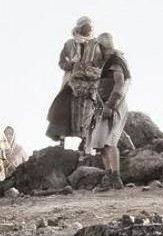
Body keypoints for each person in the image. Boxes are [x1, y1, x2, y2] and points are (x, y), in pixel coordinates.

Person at [45, 17, 103, 147]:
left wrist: (93, 69)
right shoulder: (69, 44)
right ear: (80, 28)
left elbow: (101, 63)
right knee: (64, 107)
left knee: (88, 110)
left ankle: (85, 142)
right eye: (86, 27)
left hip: (90, 82)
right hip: (71, 82)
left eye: (90, 27)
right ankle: (61, 140)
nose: (89, 30)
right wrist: (71, 64)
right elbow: (62, 62)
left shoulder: (96, 45)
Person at [85, 34, 132, 186]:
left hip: (113, 106)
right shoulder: (104, 63)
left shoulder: (115, 62)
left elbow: (119, 85)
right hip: (102, 106)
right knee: (100, 143)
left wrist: (110, 105)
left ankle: (116, 176)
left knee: (109, 142)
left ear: (103, 47)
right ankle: (109, 175)